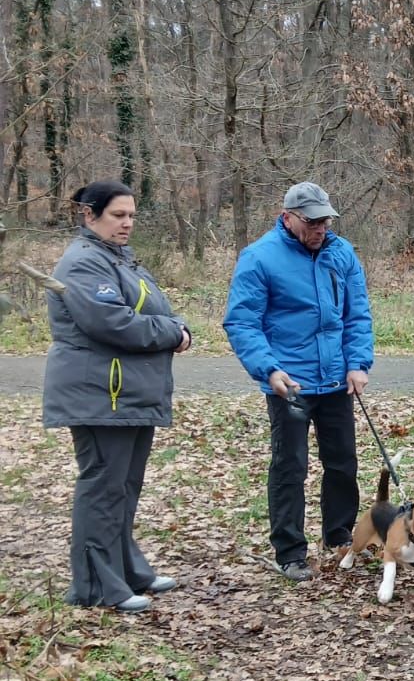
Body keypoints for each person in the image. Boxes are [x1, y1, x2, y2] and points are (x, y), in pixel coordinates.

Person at [43, 180, 192, 613]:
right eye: (118, 215)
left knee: (124, 488)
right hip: (99, 395)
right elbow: (113, 322)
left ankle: (127, 571)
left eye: (131, 215)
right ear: (89, 215)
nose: (127, 223)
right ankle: (96, 586)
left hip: (127, 395)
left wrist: (176, 326)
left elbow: (155, 311)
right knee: (103, 488)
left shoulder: (120, 258)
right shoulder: (82, 263)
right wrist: (173, 332)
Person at [223, 182, 374, 582]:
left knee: (343, 462)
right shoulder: (259, 258)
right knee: (290, 466)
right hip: (289, 383)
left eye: (325, 221)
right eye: (311, 222)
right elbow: (242, 322)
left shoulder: (342, 254)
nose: (320, 228)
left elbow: (357, 314)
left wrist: (357, 363)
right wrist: (269, 369)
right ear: (288, 217)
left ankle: (339, 535)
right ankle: (289, 551)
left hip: (336, 380)